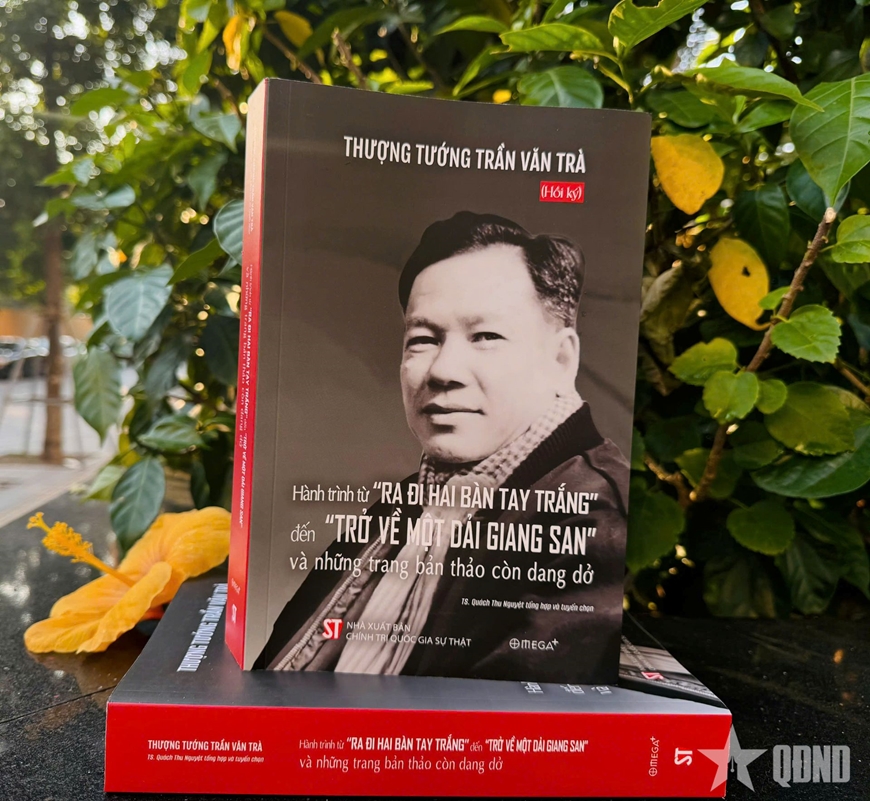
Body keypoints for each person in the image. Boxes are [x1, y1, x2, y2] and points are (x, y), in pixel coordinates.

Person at [257, 211, 628, 683]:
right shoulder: (401, 504)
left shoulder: (592, 517)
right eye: (423, 339)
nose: (443, 370)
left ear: (561, 359)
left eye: (486, 336)